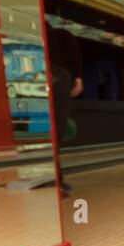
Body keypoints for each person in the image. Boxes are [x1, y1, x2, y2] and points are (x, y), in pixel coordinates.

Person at [45, 21, 83, 195]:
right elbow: (75, 55)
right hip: (59, 76)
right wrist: (78, 78)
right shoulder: (62, 35)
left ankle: (52, 179)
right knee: (56, 131)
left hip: (33, 75)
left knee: (42, 133)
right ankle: (56, 181)